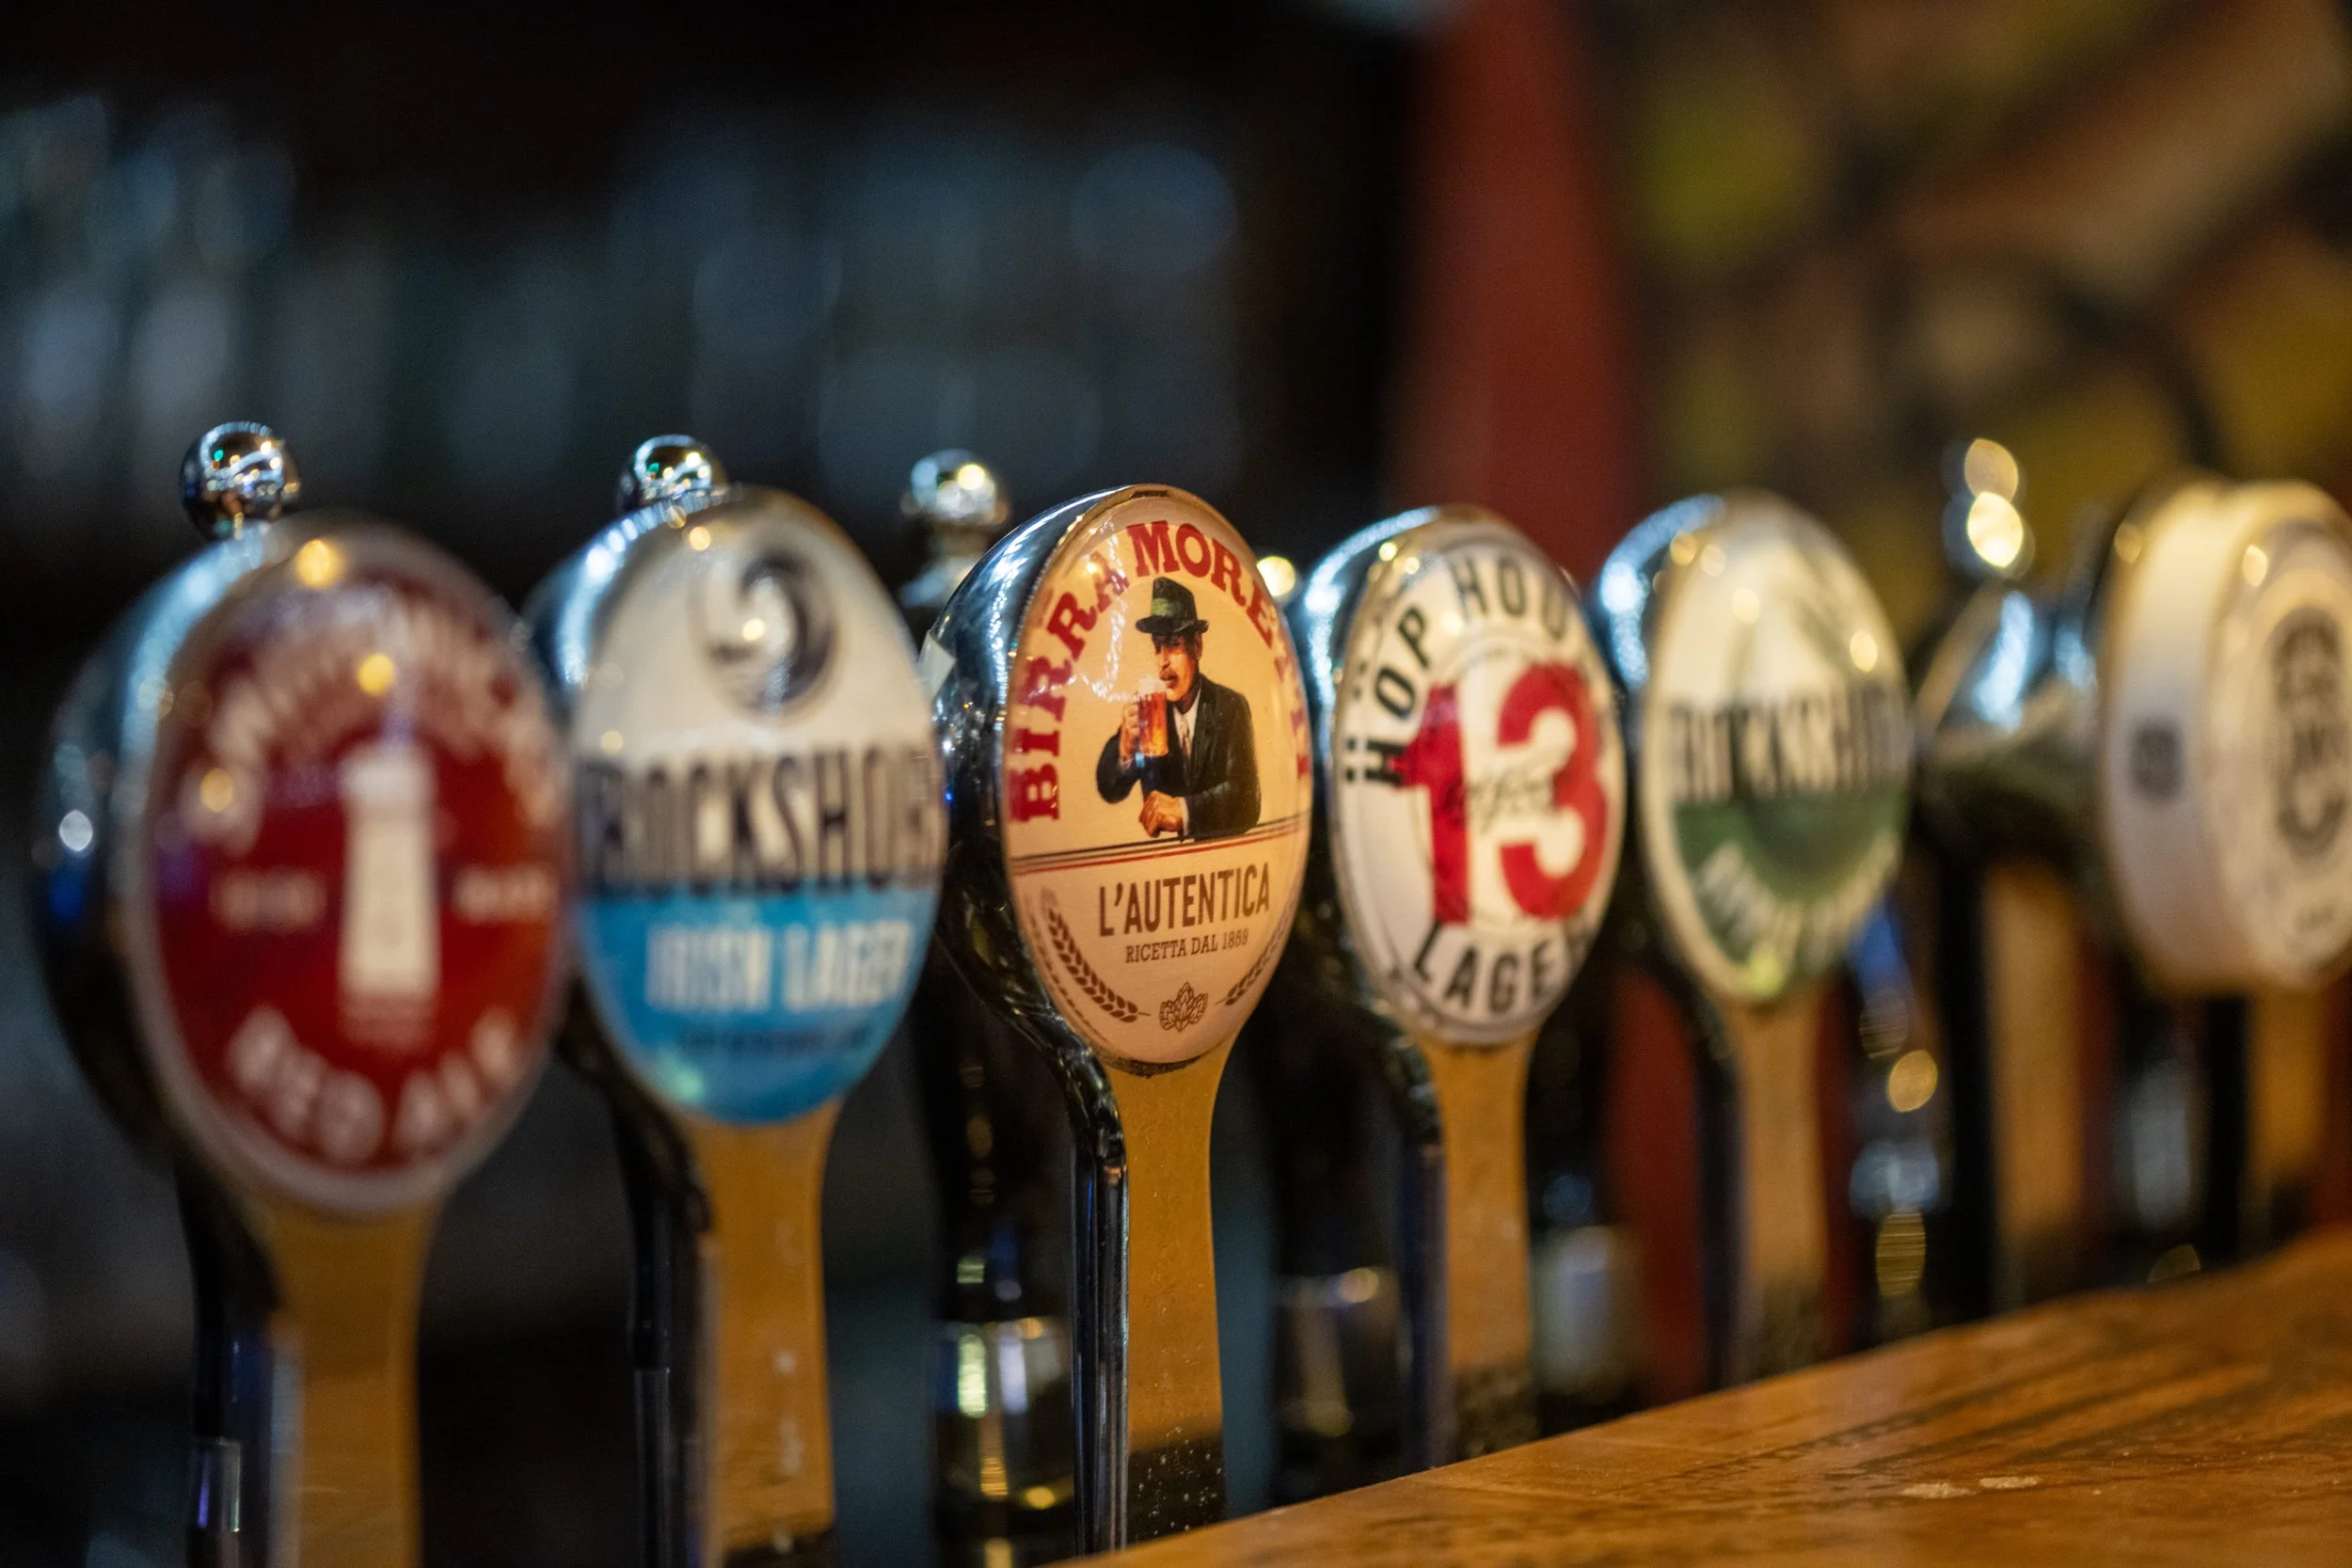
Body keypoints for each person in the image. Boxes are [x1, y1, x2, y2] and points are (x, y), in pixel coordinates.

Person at [1096, 577, 1259, 840]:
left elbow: (1246, 798)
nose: (1162, 662)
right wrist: (1125, 748)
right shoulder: (1150, 708)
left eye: (1173, 645)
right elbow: (1110, 789)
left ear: (1197, 646)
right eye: (1157, 647)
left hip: (1216, 860)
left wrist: (1185, 810)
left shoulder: (1229, 706)